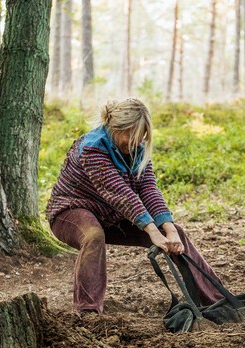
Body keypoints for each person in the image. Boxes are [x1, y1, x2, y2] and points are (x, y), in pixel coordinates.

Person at [46, 98, 224, 314]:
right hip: (71, 212)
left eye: (141, 135)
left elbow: (148, 188)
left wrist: (167, 230)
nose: (136, 140)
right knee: (93, 235)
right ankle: (88, 312)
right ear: (114, 127)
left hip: (113, 216)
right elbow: (120, 194)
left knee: (177, 233)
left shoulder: (137, 148)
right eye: (130, 133)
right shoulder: (91, 148)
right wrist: (150, 231)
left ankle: (218, 300)